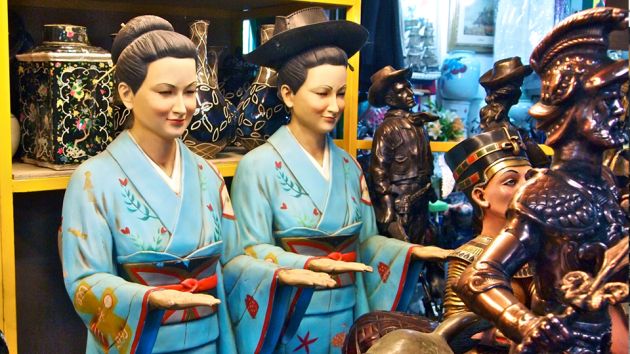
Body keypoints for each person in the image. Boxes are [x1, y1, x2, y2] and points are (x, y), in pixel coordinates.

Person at [59, 15, 336, 354]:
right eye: (165, 92)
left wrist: (276, 277)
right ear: (127, 94)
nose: (181, 107)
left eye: (190, 91)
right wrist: (147, 299)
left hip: (209, 341)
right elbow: (85, 283)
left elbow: (233, 262)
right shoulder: (93, 181)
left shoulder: (207, 175)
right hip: (145, 342)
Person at [229, 7, 450, 353]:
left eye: (341, 93)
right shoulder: (257, 167)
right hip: (290, 319)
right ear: (288, 94)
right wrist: (304, 264)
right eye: (322, 93)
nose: (335, 105)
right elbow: (247, 255)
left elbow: (366, 244)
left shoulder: (349, 167)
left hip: (348, 316)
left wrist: (409, 253)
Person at [456, 7, 629, 353]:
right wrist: (525, 322)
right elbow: (478, 277)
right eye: (605, 100)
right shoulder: (542, 194)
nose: (619, 110)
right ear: (569, 108)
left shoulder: (607, 183)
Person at [368, 66, 438, 244]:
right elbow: (378, 169)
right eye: (402, 91)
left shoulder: (418, 125)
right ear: (390, 98)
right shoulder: (387, 129)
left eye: (409, 88)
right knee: (403, 248)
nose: (410, 93)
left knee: (421, 243)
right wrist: (387, 205)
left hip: (421, 198)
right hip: (401, 202)